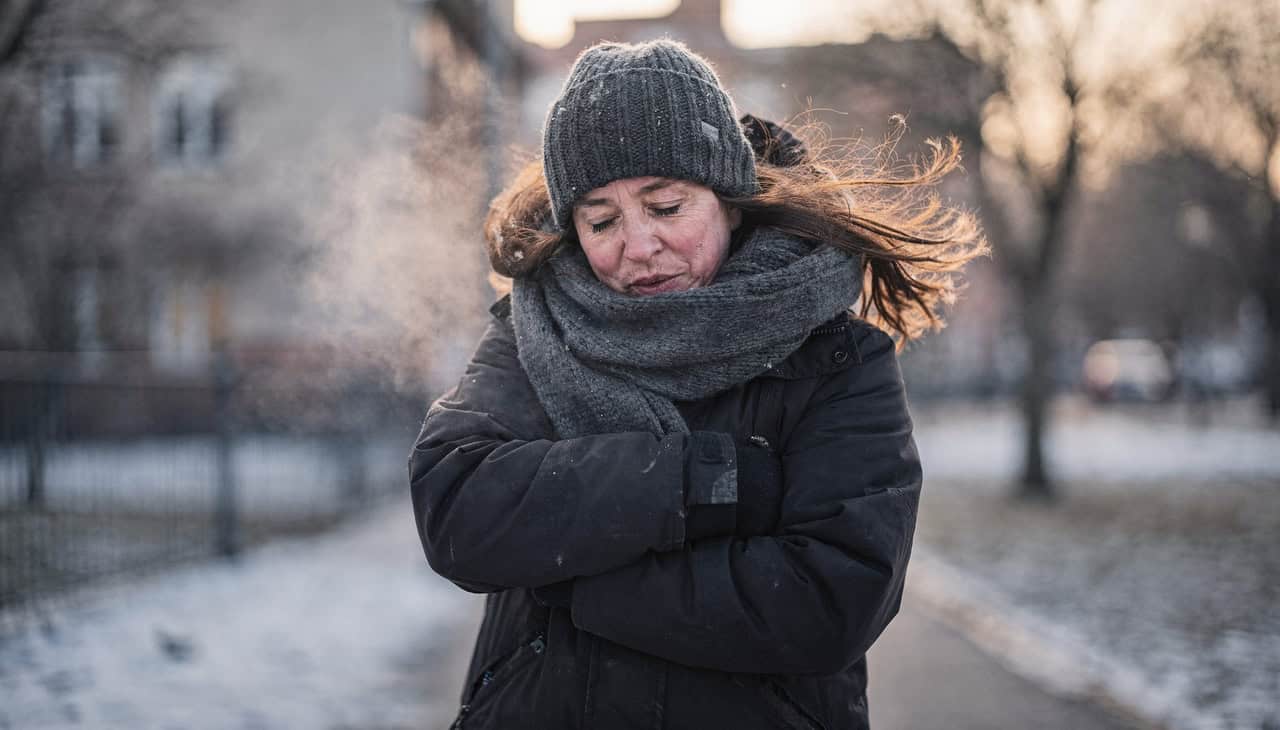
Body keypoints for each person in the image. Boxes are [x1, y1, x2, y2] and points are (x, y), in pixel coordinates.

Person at [410, 38, 986, 730]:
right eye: (601, 220)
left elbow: (830, 601)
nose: (638, 245)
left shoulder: (836, 361)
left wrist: (574, 582)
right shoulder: (535, 332)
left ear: (730, 203)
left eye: (666, 207)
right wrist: (700, 482)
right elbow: (458, 510)